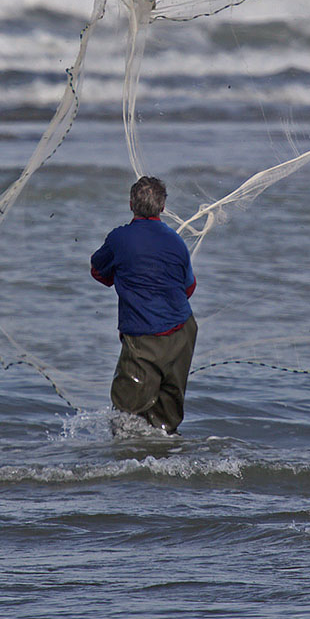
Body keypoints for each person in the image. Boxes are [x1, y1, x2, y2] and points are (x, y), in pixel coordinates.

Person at [90, 176, 197, 434]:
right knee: (166, 423)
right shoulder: (176, 241)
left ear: (130, 204)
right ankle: (165, 469)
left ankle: (127, 470)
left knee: (125, 418)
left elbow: (98, 271)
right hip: (183, 333)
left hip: (144, 338)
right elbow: (189, 288)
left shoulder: (119, 238)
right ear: (162, 207)